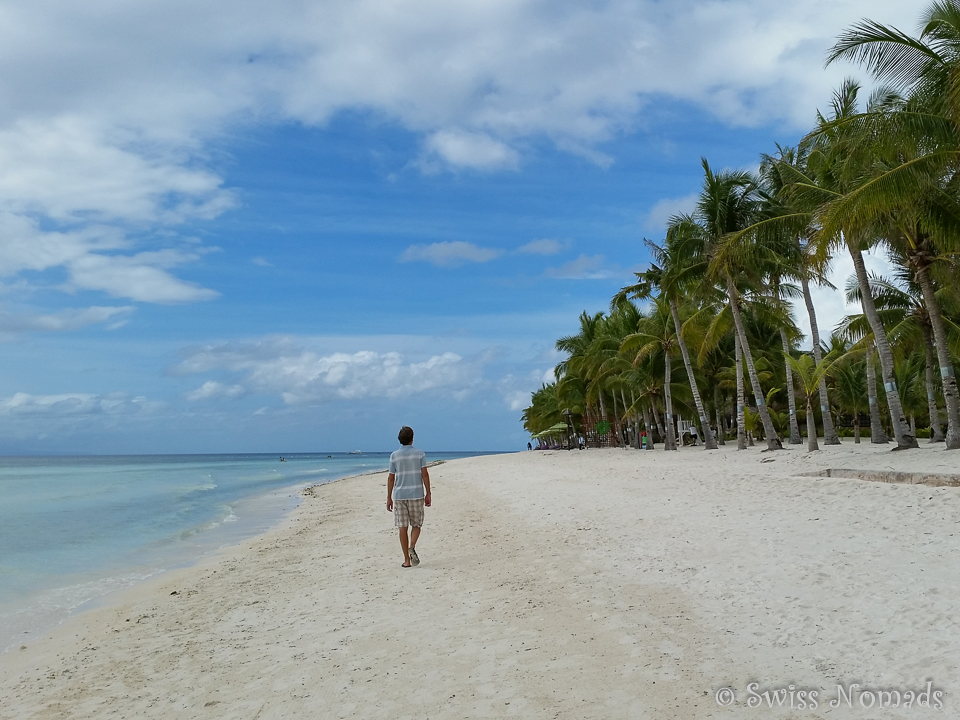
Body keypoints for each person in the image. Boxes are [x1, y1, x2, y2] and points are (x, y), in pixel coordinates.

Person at [386, 426, 431, 568]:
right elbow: (424, 474)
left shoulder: (394, 455)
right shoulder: (420, 454)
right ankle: (412, 546)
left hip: (399, 495)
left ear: (400, 440)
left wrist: (388, 497)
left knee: (402, 527)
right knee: (416, 525)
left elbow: (391, 478)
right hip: (416, 494)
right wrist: (428, 492)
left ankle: (406, 560)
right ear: (412, 438)